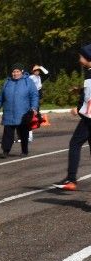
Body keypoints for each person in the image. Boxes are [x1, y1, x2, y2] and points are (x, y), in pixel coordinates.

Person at [52, 45, 91, 192]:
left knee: (75, 143)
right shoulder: (89, 72)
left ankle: (71, 179)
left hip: (89, 119)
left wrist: (79, 109)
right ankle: (71, 179)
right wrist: (80, 90)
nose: (79, 59)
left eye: (81, 56)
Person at [0, 64, 39, 157]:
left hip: (23, 114)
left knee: (23, 133)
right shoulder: (7, 82)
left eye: (17, 71)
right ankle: (5, 151)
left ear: (22, 71)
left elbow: (34, 96)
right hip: (9, 113)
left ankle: (24, 151)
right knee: (7, 134)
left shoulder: (28, 82)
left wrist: (34, 107)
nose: (15, 73)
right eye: (13, 72)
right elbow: (0, 98)